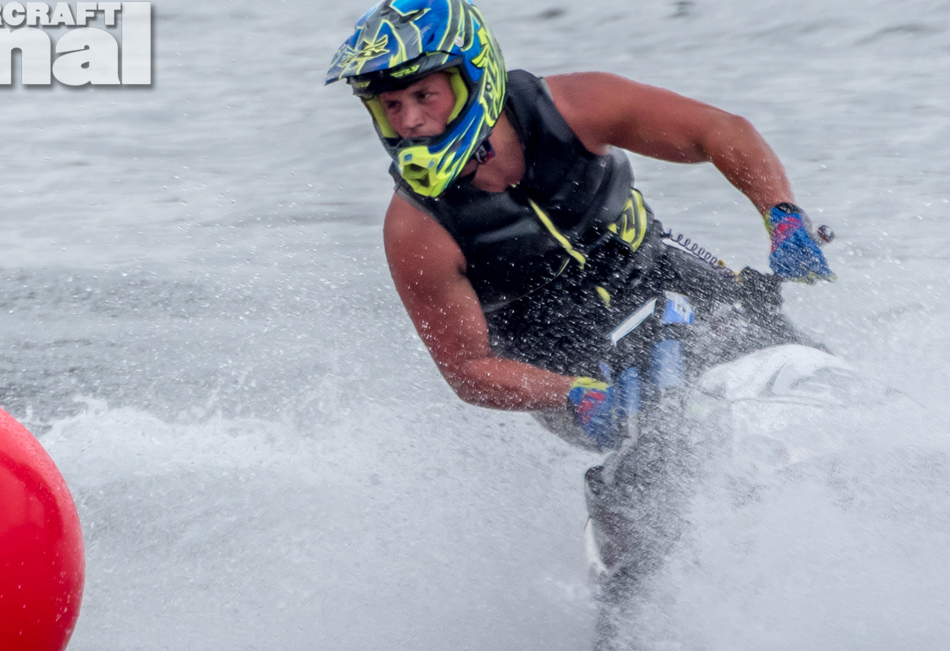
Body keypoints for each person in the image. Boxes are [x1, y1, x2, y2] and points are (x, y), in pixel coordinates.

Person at [325, 0, 833, 454]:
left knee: (796, 371)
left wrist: (781, 216)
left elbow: (717, 132)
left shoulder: (574, 107)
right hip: (576, 370)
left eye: (424, 95)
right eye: (391, 106)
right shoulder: (417, 229)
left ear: (473, 76)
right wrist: (572, 394)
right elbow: (468, 370)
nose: (409, 121)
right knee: (676, 437)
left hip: (679, 289)